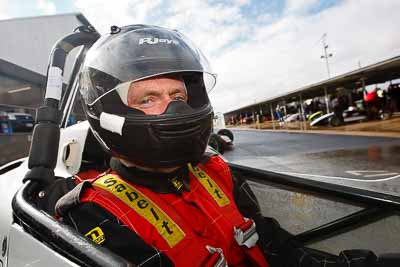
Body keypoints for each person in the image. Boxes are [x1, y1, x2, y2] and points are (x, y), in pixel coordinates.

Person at [55, 24, 386, 266]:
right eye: (149, 98)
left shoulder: (214, 170)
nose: (175, 110)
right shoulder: (95, 213)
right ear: (111, 112)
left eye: (179, 96)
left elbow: (271, 242)